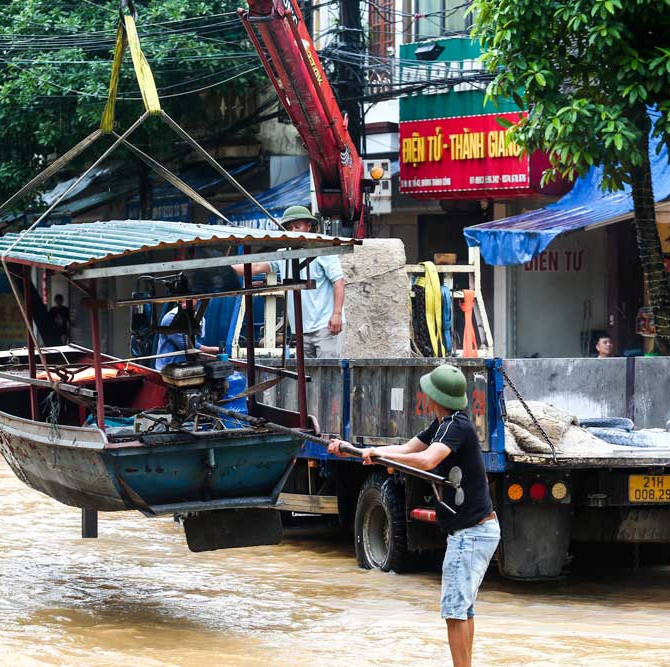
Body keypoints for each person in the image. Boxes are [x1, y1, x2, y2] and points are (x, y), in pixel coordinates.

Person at [327, 364, 498, 667]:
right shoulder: (442, 424)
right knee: (463, 610)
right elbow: (406, 448)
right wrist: (357, 450)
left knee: (454, 611)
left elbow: (427, 460)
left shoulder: (455, 427)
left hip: (472, 533)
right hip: (475, 531)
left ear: (435, 397)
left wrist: (379, 455)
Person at [233, 205, 346, 358]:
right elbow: (257, 266)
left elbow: (339, 282)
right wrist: (224, 268)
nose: (293, 230)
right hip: (300, 329)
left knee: (327, 373)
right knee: (307, 376)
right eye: (289, 227)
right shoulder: (283, 255)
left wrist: (337, 314)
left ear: (308, 226)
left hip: (325, 326)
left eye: (297, 226)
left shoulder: (323, 250)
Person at [154, 305, 220, 370]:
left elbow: (198, 340)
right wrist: (217, 350)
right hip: (168, 369)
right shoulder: (171, 318)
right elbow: (191, 347)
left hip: (185, 367)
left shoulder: (199, 317)